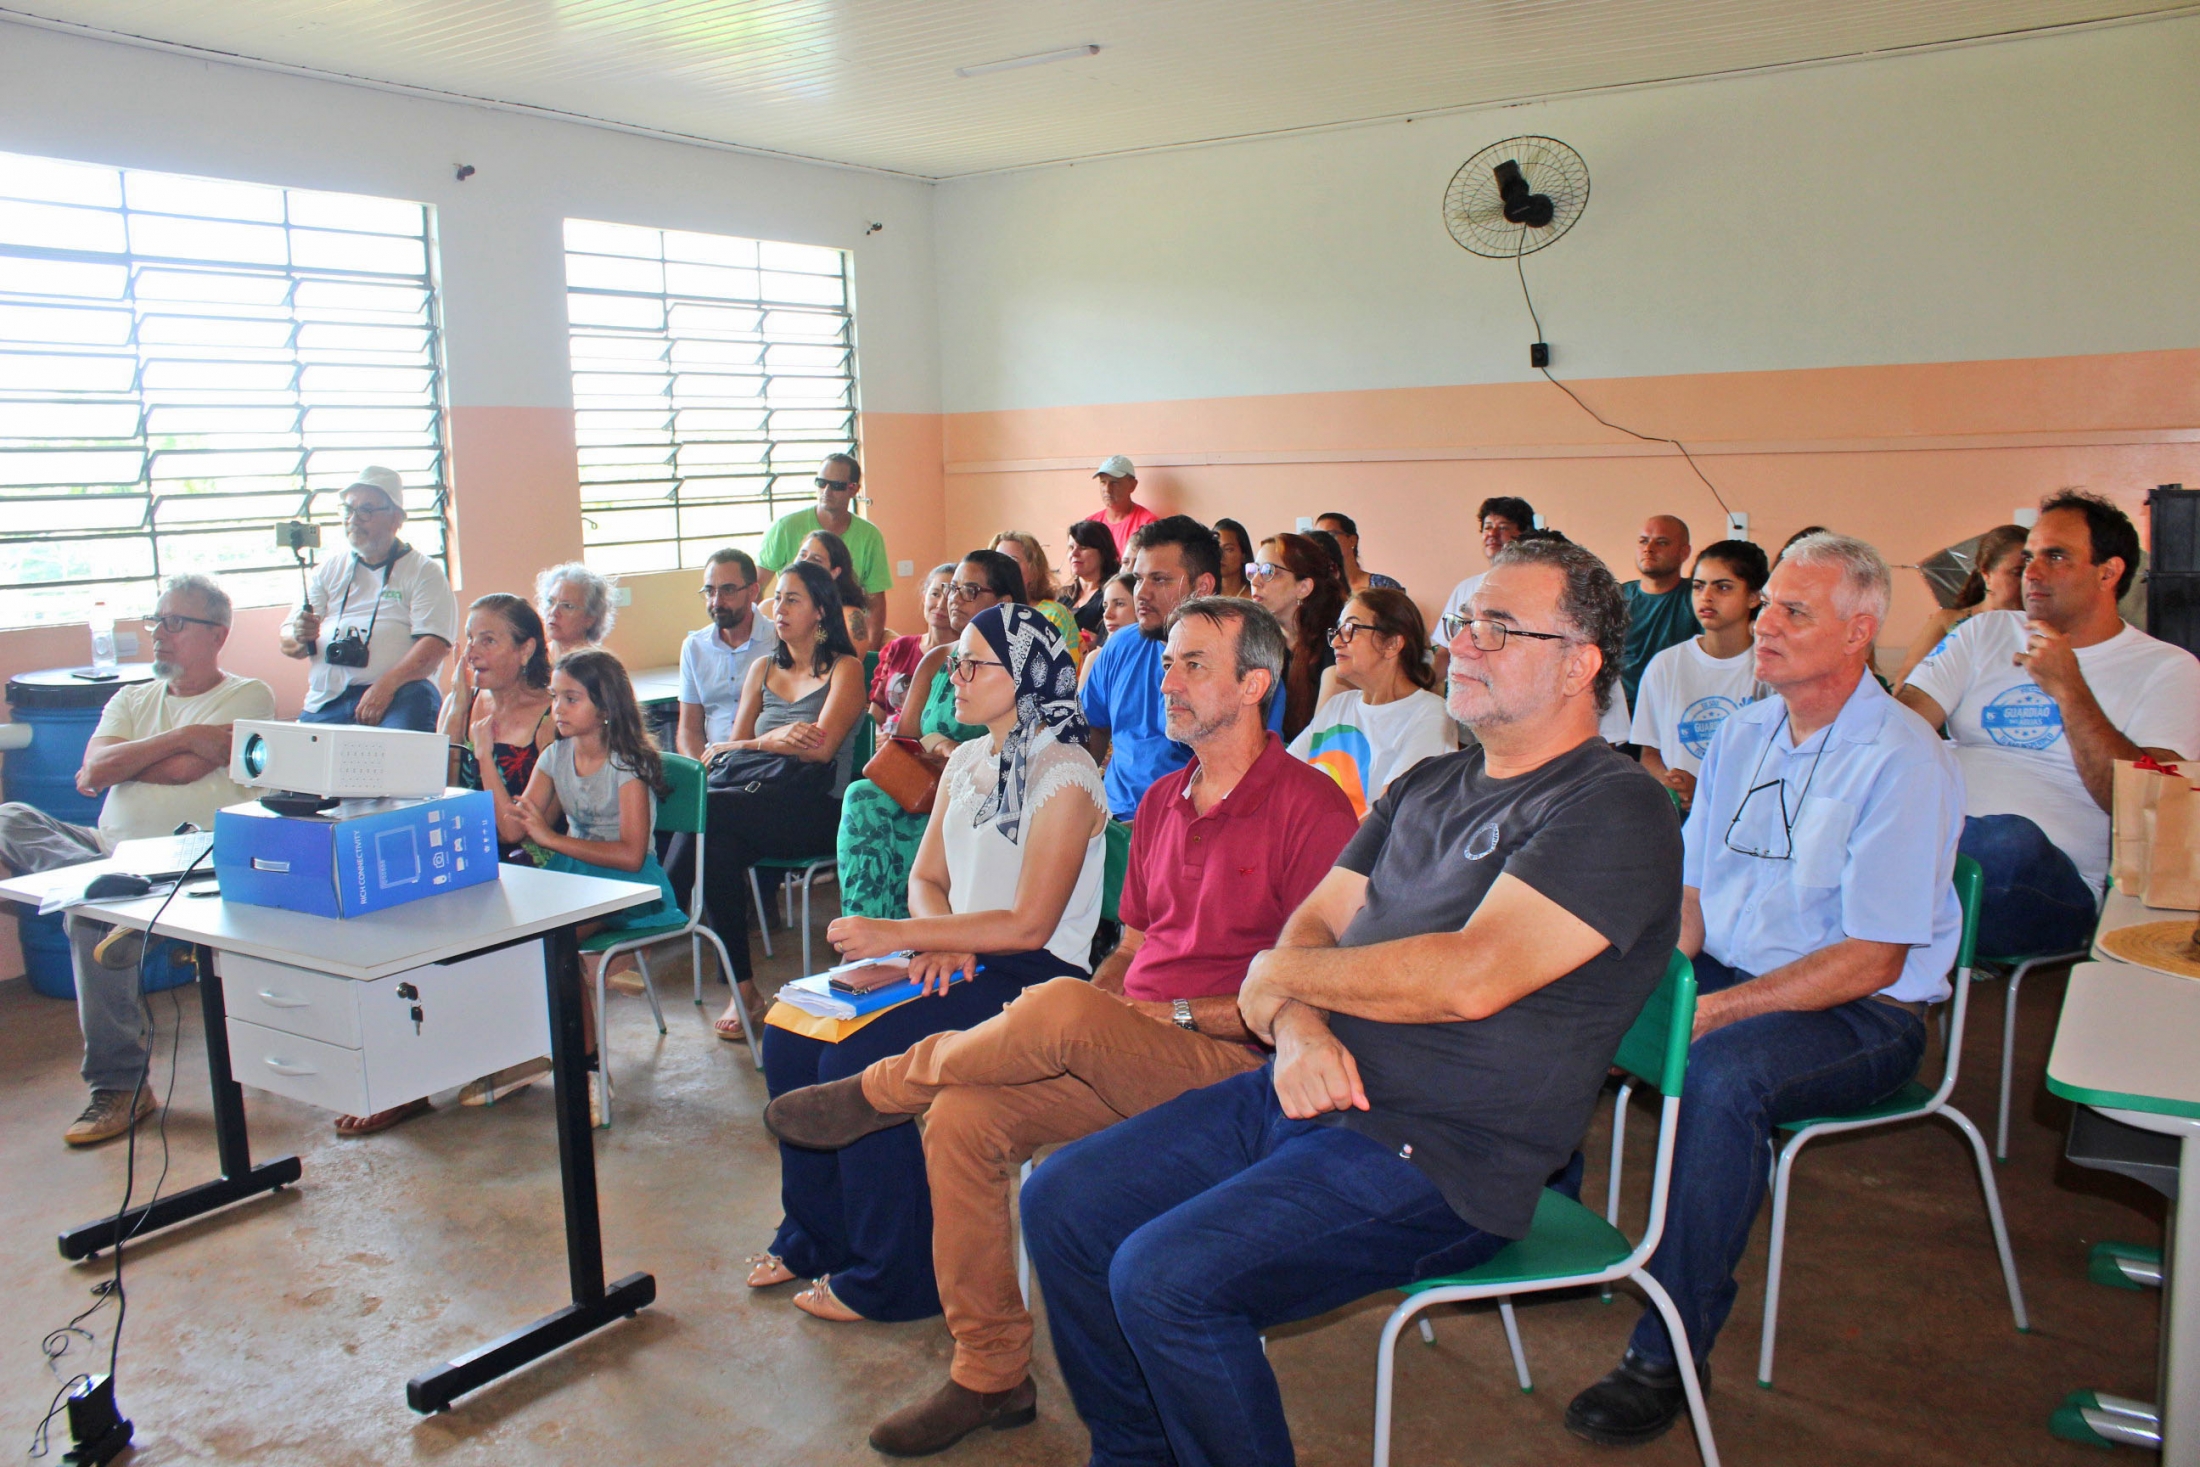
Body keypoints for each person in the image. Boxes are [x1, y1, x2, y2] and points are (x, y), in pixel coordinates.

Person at [1020, 536, 1682, 1467]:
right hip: (1307, 1088)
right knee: (1063, 1200)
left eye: (1498, 627)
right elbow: (1314, 924)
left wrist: (1276, 980)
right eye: (1464, 622)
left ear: (1581, 664)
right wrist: (1294, 1027)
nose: (1463, 643)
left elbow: (1468, 976)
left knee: (1166, 1281)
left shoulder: (1612, 806)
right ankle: (1136, 1454)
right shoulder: (1428, 783)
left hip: (1441, 1151)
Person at [763, 598, 1360, 1455]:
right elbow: (1137, 946)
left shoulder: (1311, 808)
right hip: (1136, 1042)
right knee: (963, 1118)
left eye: (1194, 665)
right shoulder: (1164, 799)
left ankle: (882, 1088)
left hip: (1240, 1067)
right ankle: (991, 1370)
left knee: (1059, 1003)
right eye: (1167, 663)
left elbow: (1314, 989)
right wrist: (1118, 1003)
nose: (1167, 682)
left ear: (1254, 684)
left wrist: (1152, 1013)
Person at [1565, 533, 1963, 1448]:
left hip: (1864, 1010)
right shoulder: (1744, 733)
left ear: (1858, 632)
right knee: (1571, 994)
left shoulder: (1903, 758)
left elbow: (1874, 958)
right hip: (1734, 971)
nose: (1765, 624)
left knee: (1720, 1075)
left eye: (1793, 611)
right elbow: (1691, 897)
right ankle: (1523, 1229)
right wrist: (1654, 985)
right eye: (1769, 603)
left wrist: (1708, 1014)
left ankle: (1668, 1348)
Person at [750, 604, 1110, 1331]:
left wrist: (908, 935)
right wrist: (937, 937)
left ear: (1026, 675)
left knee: (860, 1058)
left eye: (974, 664)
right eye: (956, 662)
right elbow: (927, 875)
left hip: (1034, 977)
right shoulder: (968, 760)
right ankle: (817, 1234)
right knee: (789, 1030)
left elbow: (1030, 924)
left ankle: (896, 1273)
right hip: (959, 953)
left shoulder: (1067, 775)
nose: (956, 676)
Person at [0, 575, 273, 1147]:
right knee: (9, 819)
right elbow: (93, 773)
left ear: (217, 635)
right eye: (155, 621)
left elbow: (184, 772)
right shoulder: (131, 698)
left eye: (175, 622)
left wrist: (133, 759)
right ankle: (102, 890)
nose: (158, 634)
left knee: (88, 918)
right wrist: (186, 736)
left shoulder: (249, 696)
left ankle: (120, 1087)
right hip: (106, 849)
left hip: (188, 861)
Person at [1898, 493, 2200, 957]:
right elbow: (1901, 730)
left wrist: (2069, 687)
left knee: (2006, 841)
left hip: (2047, 885)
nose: (2032, 573)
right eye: (2028, 557)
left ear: (2109, 572)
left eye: (2055, 557)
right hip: (1940, 834)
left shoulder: (2169, 669)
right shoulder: (1983, 632)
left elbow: (2148, 809)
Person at [667, 559, 866, 1040]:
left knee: (707, 809)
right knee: (716, 848)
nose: (780, 609)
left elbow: (819, 750)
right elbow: (731, 753)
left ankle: (658, 908)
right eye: (777, 599)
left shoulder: (846, 669)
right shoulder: (762, 669)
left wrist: (762, 742)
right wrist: (770, 741)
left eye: (792, 600)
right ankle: (744, 991)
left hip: (819, 810)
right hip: (758, 800)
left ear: (821, 611)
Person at [835, 552, 1024, 925]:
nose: (955, 599)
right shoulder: (937, 659)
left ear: (1003, 602)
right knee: (863, 797)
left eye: (970, 590)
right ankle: (870, 934)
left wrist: (961, 754)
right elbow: (905, 741)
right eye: (953, 589)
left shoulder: (1017, 665)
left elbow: (1020, 741)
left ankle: (906, 932)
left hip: (987, 794)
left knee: (878, 808)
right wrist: (938, 742)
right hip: (925, 789)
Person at [1081, 517, 1285, 822]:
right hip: (1110, 821)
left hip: (1197, 824)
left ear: (1202, 587)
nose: (1142, 593)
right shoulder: (1121, 645)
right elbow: (1094, 727)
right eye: (1138, 579)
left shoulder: (1245, 664)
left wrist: (1158, 828)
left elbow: (1252, 775)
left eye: (1159, 580)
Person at [281, 465, 457, 731]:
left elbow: (435, 646)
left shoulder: (423, 572)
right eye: (348, 510)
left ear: (396, 519)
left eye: (366, 510)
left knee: (400, 739)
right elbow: (288, 641)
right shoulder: (327, 570)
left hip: (400, 694)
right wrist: (299, 634)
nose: (353, 519)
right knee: (296, 752)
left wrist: (385, 686)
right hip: (327, 700)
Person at [1289, 589, 1455, 818]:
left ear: (1392, 644)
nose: (1335, 642)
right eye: (1337, 630)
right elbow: (1285, 773)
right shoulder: (1339, 705)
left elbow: (1387, 817)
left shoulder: (1429, 714)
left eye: (1351, 629)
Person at [1630, 539, 1769, 812]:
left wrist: (1707, 790)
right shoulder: (1665, 665)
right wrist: (1673, 785)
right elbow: (1650, 753)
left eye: (1723, 587)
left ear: (1754, 597)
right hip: (1681, 820)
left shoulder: (1770, 667)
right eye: (1698, 586)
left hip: (1750, 814)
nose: (1706, 596)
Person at [442, 594, 557, 845]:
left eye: (488, 641)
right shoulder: (460, 701)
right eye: (470, 638)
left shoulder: (552, 718)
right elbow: (440, 797)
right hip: (464, 845)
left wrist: (484, 754)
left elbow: (521, 833)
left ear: (525, 650)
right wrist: (457, 712)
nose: (472, 653)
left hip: (527, 857)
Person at [759, 452, 891, 654]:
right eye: (821, 483)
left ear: (853, 489)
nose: (826, 491)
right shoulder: (785, 528)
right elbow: (756, 586)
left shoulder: (869, 536)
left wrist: (871, 653)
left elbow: (876, 602)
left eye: (836, 485)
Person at [1890, 523, 2029, 689]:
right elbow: (1907, 682)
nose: (2028, 580)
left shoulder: (2044, 627)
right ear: (1986, 573)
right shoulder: (1946, 622)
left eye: (2033, 572)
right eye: (2018, 573)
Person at [675, 548, 778, 763]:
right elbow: (688, 730)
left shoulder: (779, 640)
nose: (716, 602)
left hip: (767, 763)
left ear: (753, 592)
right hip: (715, 767)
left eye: (728, 590)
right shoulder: (694, 647)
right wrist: (702, 772)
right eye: (710, 591)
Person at [1251, 532, 1347, 742]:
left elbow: (1320, 738)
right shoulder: (1261, 643)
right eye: (1254, 570)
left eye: (1268, 571)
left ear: (1303, 587)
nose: (1255, 581)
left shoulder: (1337, 644)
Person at [1434, 495, 1537, 683]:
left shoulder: (1535, 590)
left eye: (1503, 527)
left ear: (1523, 535)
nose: (1492, 534)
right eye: (1487, 527)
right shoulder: (1465, 588)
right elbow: (1444, 652)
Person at [1618, 514, 1698, 712]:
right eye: (1643, 541)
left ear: (1684, 552)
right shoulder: (1616, 598)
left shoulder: (1698, 598)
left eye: (1662, 542)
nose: (1649, 548)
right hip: (1622, 711)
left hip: (1677, 708)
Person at [870, 564, 955, 726]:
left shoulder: (965, 657)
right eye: (935, 594)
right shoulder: (899, 647)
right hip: (886, 739)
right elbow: (876, 714)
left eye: (950, 597)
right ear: (924, 597)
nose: (940, 604)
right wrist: (876, 735)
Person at [990, 531, 1081, 663]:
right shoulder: (987, 614)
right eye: (996, 562)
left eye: (1012, 561)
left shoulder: (1054, 615)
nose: (1002, 569)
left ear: (1034, 569)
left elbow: (1063, 669)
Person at [798, 528, 872, 648]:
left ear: (834, 572)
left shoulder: (850, 617)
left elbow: (853, 659)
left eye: (816, 560)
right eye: (802, 555)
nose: (805, 562)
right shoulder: (776, 606)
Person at [535, 561, 616, 663]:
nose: (554, 612)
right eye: (550, 602)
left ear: (590, 619)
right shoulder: (533, 658)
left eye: (567, 606)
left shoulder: (600, 667)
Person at [1316, 511, 1404, 593]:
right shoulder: (1317, 589)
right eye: (1318, 538)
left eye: (1331, 535)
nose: (1323, 542)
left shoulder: (1383, 586)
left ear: (1352, 540)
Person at [1061, 520, 1120, 643]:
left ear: (1103, 553)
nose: (1074, 553)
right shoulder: (1062, 595)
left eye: (1083, 548)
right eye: (1071, 547)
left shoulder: (1113, 596)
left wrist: (1099, 643)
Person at [1092, 454, 1158, 556]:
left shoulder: (1148, 524)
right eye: (1103, 482)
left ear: (1132, 485)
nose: (1107, 489)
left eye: (1114, 483)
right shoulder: (1091, 524)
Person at [1212, 518, 1256, 599]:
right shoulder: (1203, 595)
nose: (1220, 555)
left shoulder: (1256, 596)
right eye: (1216, 548)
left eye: (1228, 549)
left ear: (1243, 555)